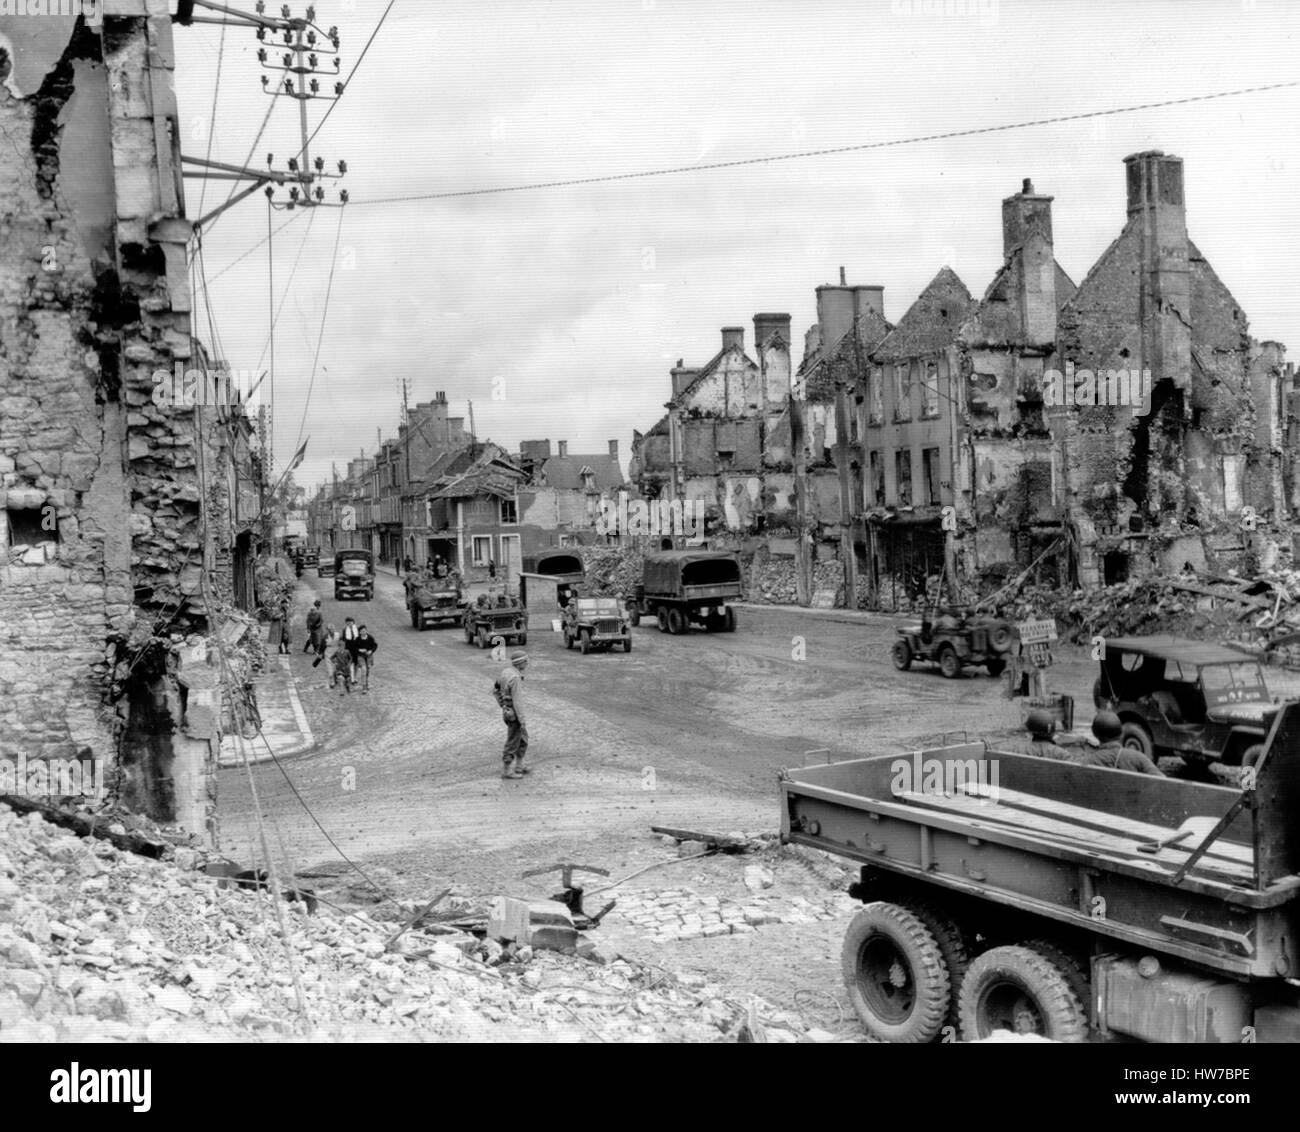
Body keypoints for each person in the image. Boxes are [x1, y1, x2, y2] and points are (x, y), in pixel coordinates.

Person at [1079, 711, 1164, 775]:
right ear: (1121, 734)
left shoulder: (1088, 762)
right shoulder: (1139, 758)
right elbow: (1163, 782)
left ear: (1095, 734)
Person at [493, 649, 529, 779]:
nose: (527, 663)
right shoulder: (515, 678)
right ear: (520, 664)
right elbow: (518, 701)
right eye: (526, 661)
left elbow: (495, 689)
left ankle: (519, 766)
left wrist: (503, 704)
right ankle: (507, 771)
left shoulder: (506, 672)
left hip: (507, 712)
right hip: (515, 715)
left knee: (523, 738)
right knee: (513, 741)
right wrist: (522, 720)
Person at [354, 625, 378, 693]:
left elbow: (375, 645)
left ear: (366, 631)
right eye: (362, 631)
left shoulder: (370, 638)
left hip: (369, 656)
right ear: (359, 632)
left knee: (367, 670)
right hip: (360, 656)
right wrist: (360, 650)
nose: (363, 632)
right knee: (363, 669)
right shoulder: (357, 639)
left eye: (364, 631)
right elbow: (354, 648)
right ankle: (364, 687)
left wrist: (371, 651)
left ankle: (366, 683)